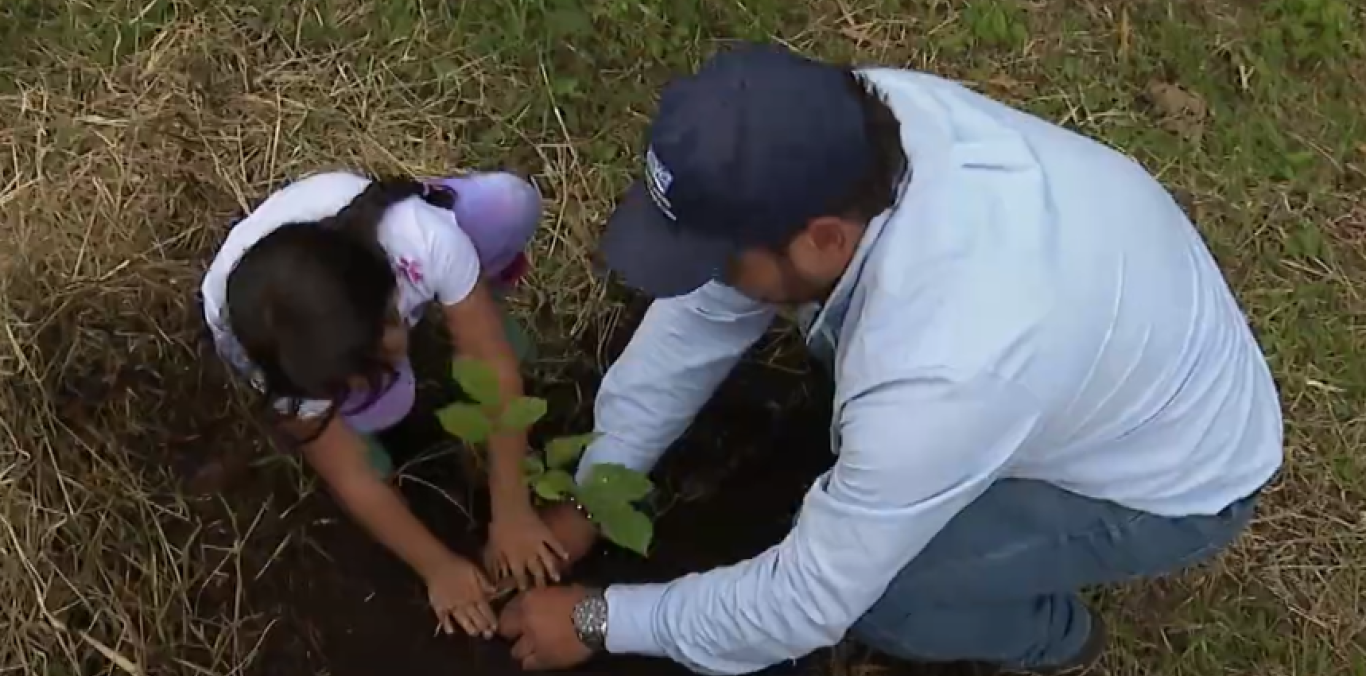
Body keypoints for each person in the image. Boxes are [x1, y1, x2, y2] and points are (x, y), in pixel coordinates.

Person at [495, 43, 1283, 675]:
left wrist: (599, 620)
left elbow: (808, 603)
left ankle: (1053, 637)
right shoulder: (844, 134)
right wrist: (599, 490)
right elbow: (702, 314)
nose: (709, 280)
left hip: (1169, 478)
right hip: (1097, 338)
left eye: (723, 258)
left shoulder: (944, 370)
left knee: (891, 597)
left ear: (825, 238)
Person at [200, 170, 565, 640]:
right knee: (381, 420)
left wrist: (513, 508)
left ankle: (477, 303)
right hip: (286, 328)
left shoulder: (419, 235)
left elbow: (493, 367)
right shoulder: (276, 356)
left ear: (388, 289)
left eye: (393, 327)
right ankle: (375, 414)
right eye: (373, 364)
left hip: (379, 258)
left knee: (510, 204)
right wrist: (437, 567)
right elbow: (349, 475)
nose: (398, 346)